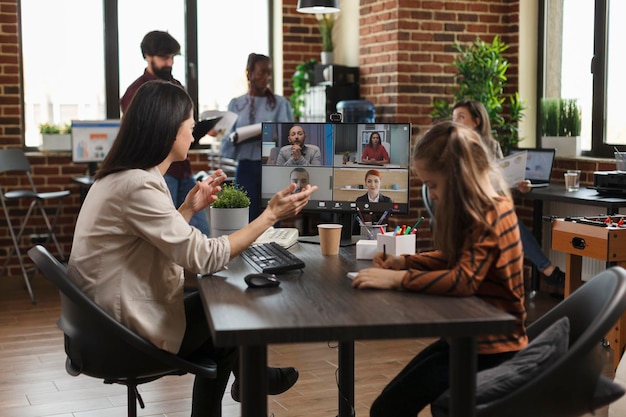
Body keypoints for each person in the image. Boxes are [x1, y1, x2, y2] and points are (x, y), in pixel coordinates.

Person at [68, 81, 318, 414]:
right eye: (190, 124)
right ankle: (253, 378)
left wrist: (187, 209)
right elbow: (205, 257)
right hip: (120, 334)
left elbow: (147, 241)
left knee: (220, 312)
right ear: (169, 130)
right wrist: (271, 215)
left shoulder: (122, 177)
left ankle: (250, 379)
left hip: (101, 325)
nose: (193, 133)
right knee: (229, 307)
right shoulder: (137, 184)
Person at [352, 121, 527, 416]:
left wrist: (399, 279)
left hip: (493, 348)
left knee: (389, 408)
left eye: (432, 185)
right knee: (388, 405)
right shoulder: (484, 210)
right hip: (467, 337)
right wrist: (406, 262)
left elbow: (464, 280)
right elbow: (453, 258)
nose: (431, 195)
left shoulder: (492, 214)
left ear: (459, 178)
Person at [451, 99, 565, 287]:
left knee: (505, 218)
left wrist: (519, 185)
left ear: (477, 121)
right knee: (506, 219)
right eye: (454, 118)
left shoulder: (491, 145)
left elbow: (502, 178)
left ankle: (544, 270)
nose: (456, 122)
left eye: (461, 117)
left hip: (488, 204)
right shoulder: (453, 146)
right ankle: (547, 269)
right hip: (463, 204)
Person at [119, 30, 210, 236]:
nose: (169, 63)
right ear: (147, 56)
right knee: (165, 236)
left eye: (172, 58)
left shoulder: (177, 87)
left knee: (202, 232)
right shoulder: (136, 92)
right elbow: (142, 136)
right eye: (164, 58)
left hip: (184, 169)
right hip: (157, 171)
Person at [220, 53, 294, 221]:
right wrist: (234, 137)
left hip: (272, 167)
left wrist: (269, 134)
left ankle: (271, 248)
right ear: (249, 73)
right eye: (262, 72)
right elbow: (226, 139)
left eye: (269, 73)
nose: (266, 77)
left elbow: (289, 138)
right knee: (243, 217)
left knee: (272, 216)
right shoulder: (236, 104)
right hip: (245, 168)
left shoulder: (280, 103)